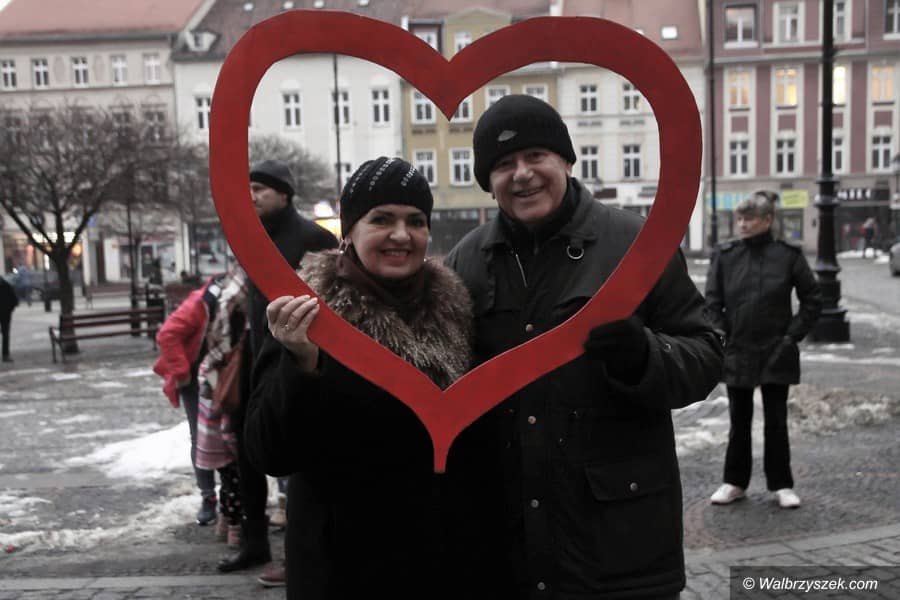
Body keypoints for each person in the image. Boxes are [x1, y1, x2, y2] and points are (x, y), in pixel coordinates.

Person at [444, 94, 724, 599]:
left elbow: (705, 353)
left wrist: (644, 357)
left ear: (566, 161)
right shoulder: (467, 259)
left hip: (618, 544)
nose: (522, 174)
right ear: (488, 181)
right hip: (508, 547)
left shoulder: (635, 242)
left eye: (535, 156)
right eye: (503, 165)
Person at [244, 157, 500, 600]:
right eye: (382, 219)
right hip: (342, 567)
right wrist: (302, 364)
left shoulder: (458, 311)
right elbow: (268, 451)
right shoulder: (307, 312)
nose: (401, 235)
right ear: (349, 230)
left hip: (442, 564)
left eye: (415, 221)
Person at [217, 159, 338, 576]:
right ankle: (254, 542)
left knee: (296, 456)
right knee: (247, 449)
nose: (251, 197)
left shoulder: (312, 237)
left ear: (284, 194)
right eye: (248, 189)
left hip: (298, 358)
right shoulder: (253, 237)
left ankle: (295, 554)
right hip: (256, 355)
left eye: (260, 190)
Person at [705, 191, 822, 509]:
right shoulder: (726, 255)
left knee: (776, 421)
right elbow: (712, 302)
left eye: (750, 219)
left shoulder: (787, 255)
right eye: (740, 219)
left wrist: (791, 337)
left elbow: (812, 299)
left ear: (768, 220)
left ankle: (782, 484)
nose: (742, 224)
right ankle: (734, 482)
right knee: (738, 420)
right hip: (738, 347)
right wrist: (722, 335)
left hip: (776, 348)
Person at [152, 274, 225, 525]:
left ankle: (229, 495)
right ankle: (208, 496)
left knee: (225, 436)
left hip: (219, 374)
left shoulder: (220, 299)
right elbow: (167, 335)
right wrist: (182, 373)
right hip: (195, 379)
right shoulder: (199, 304)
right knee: (200, 437)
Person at [0, 275, 18, 362]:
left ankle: (5, 355)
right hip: (5, 314)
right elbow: (15, 301)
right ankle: (5, 355)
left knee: (5, 335)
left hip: (5, 313)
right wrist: (9, 309)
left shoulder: (7, 286)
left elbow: (14, 301)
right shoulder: (7, 286)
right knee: (5, 335)